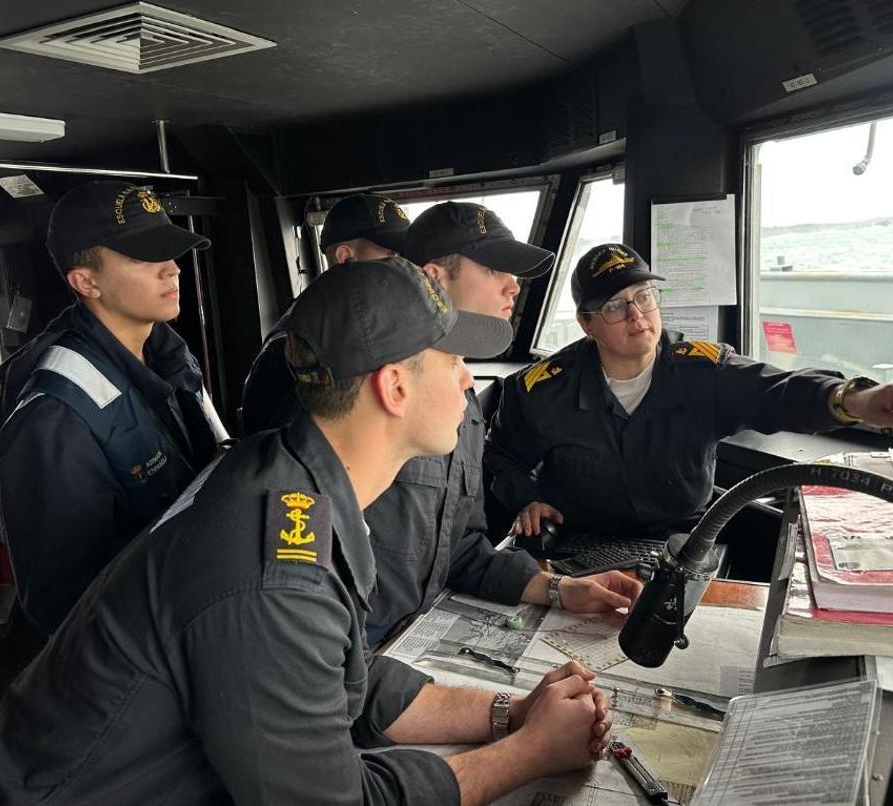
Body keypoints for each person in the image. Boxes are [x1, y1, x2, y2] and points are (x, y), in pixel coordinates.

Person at [0, 258, 614, 806]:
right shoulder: (273, 567)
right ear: (393, 387)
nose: (469, 379)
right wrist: (530, 753)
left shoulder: (291, 473)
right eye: (452, 360)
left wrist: (509, 713)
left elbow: (349, 677)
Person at [243, 201, 642, 645]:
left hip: (411, 639)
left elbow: (459, 550)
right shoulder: (351, 393)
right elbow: (292, 597)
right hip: (348, 654)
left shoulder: (459, 402)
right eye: (495, 268)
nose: (514, 286)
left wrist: (559, 589)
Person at [487, 242, 893, 539]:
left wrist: (855, 400)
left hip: (685, 540)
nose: (637, 315)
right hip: (580, 543)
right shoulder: (542, 390)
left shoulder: (702, 370)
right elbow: (500, 455)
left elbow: (777, 391)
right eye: (615, 306)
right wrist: (525, 498)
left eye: (644, 297)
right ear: (586, 324)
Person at [0, 180, 228, 634]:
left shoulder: (169, 355)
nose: (172, 270)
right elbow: (64, 604)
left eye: (170, 253)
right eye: (144, 257)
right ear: (86, 282)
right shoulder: (55, 418)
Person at [239, 192, 409, 435]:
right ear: (345, 258)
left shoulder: (371, 329)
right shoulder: (290, 349)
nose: (404, 269)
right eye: (391, 257)